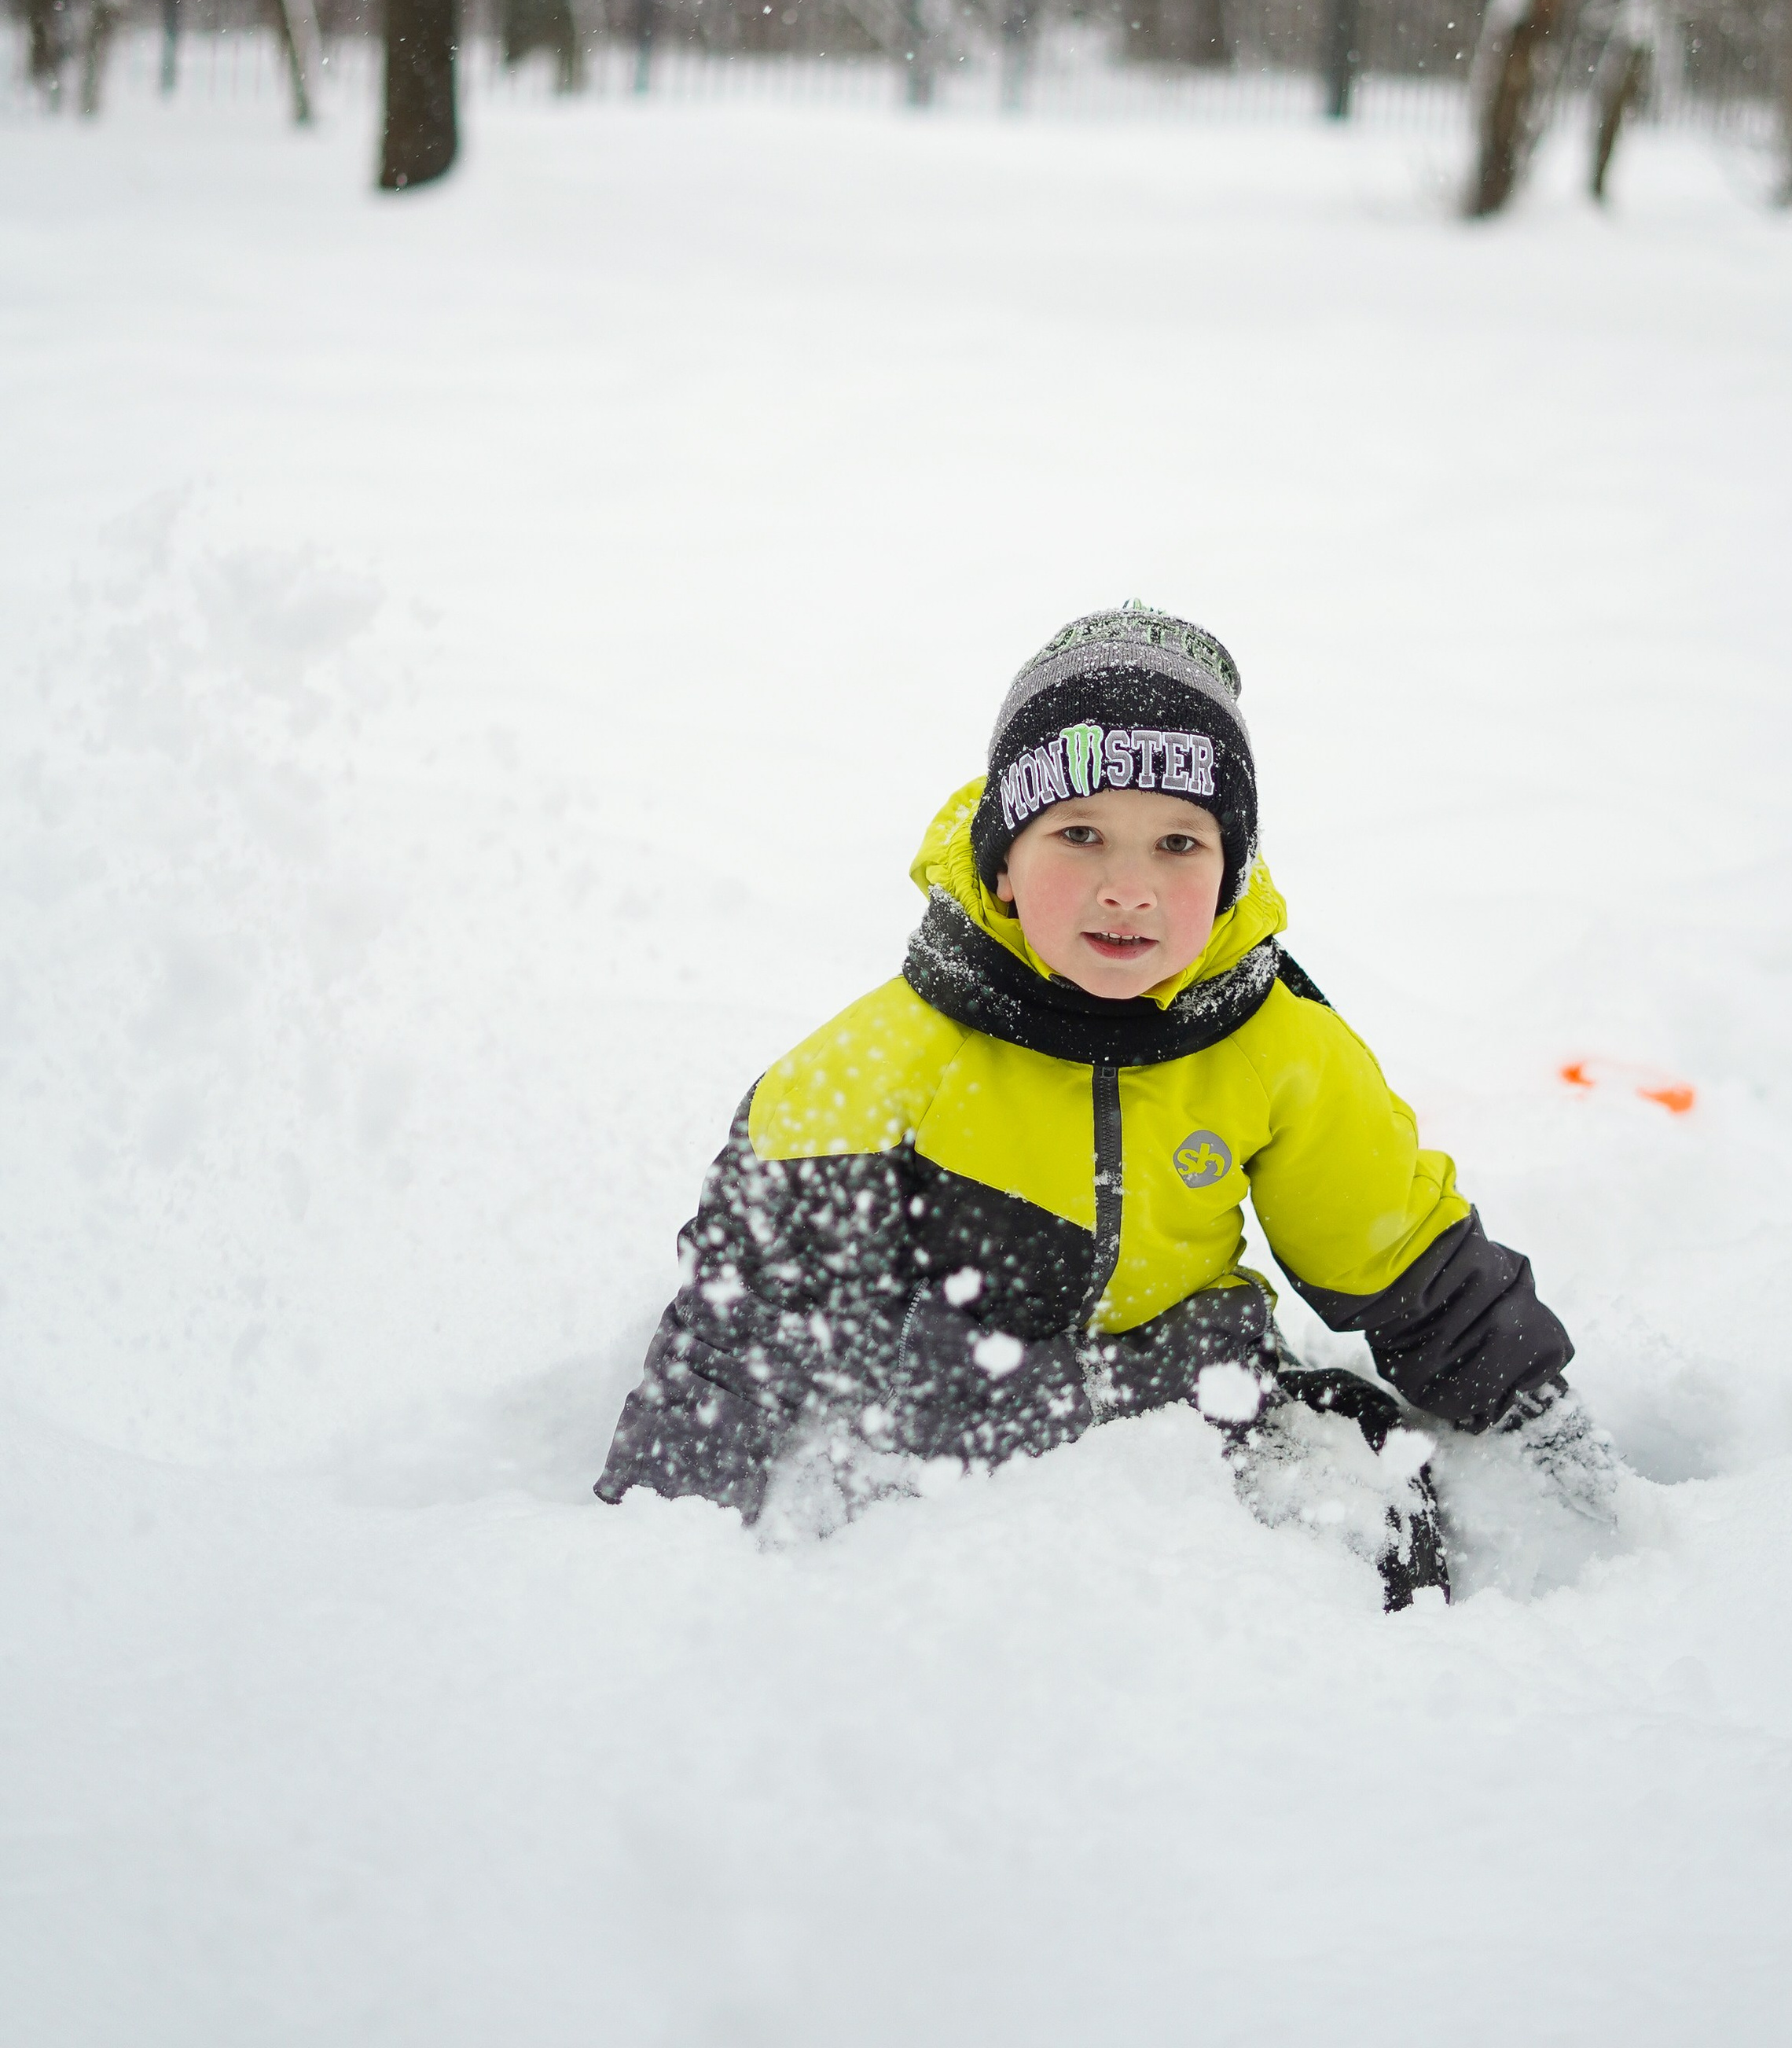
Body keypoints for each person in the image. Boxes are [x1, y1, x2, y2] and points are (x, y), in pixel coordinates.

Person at [597, 605, 1610, 1605]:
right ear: (1003, 864)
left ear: (1228, 876)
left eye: (1179, 845)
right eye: (1080, 834)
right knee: (895, 1572)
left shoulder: (1277, 1044)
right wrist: (657, 1541)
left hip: (1194, 1391)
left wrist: (1537, 1422)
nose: (1128, 887)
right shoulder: (878, 1064)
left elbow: (1397, 1252)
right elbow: (744, 1317)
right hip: (954, 1416)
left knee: (1380, 1511)